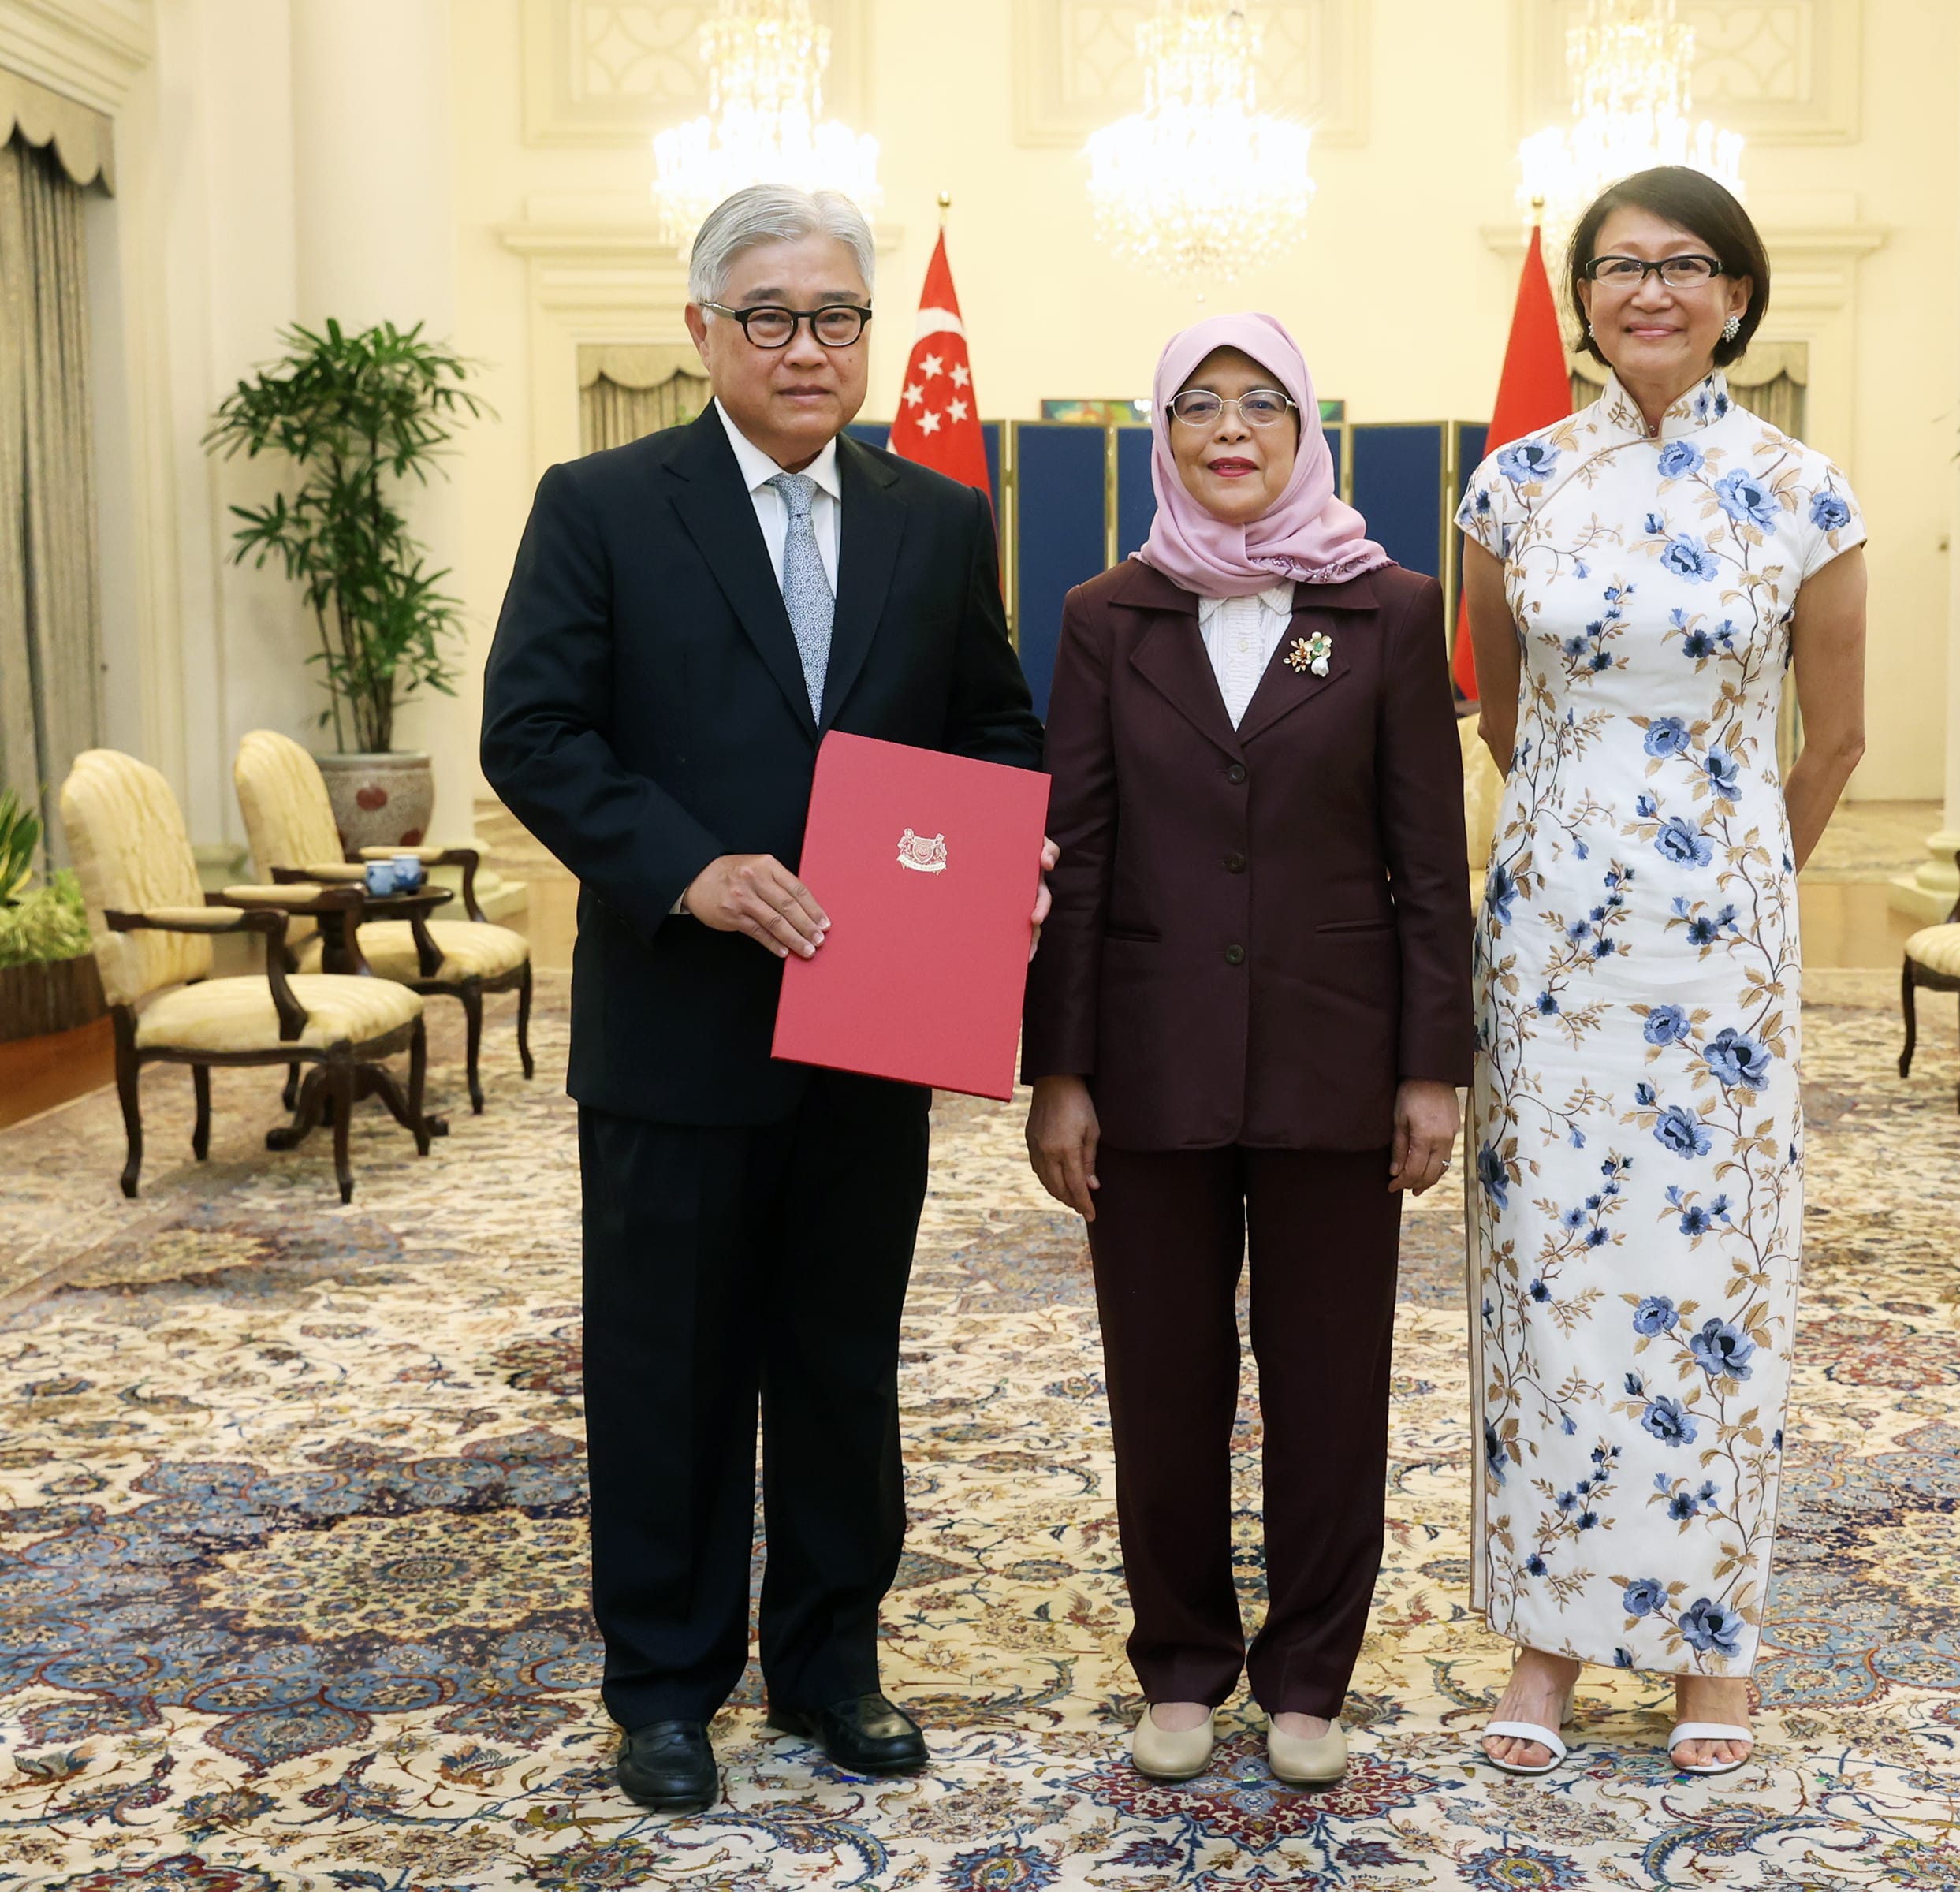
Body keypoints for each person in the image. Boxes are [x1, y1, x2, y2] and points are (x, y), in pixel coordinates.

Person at [480, 184, 1047, 1812]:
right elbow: (533, 734)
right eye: (773, 316)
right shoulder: (598, 504)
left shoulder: (939, 519)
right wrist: (688, 868)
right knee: (664, 1363)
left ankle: (830, 1662)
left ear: (872, 334)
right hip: (678, 1020)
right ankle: (662, 1687)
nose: (811, 347)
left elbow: (992, 728)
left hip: (875, 1028)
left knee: (838, 1355)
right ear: (703, 334)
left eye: (838, 317)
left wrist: (1011, 848)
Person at [1457, 166, 1869, 1779]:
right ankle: (1548, 1641)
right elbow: (1500, 707)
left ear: (1738, 298)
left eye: (1685, 266)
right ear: (1587, 297)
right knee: (1552, 1282)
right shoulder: (1514, 487)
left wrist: (1742, 880)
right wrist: (1586, 835)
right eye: (1621, 267)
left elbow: (1834, 740)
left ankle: (1716, 1655)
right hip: (1553, 945)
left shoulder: (1806, 491)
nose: (1651, 291)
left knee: (1712, 1292)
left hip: (1723, 965)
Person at [1023, 312, 1470, 1790]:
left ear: (1305, 430)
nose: (1231, 431)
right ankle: (1182, 1665)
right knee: (1162, 1377)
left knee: (1331, 1381)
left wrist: (1432, 1066)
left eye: (1260, 405)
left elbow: (1427, 858)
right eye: (1200, 407)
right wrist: (1061, 1071)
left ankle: (1309, 1676)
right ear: (1162, 435)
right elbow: (1075, 856)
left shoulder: (1389, 607)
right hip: (1146, 1063)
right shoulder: (1108, 614)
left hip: (1338, 1063)